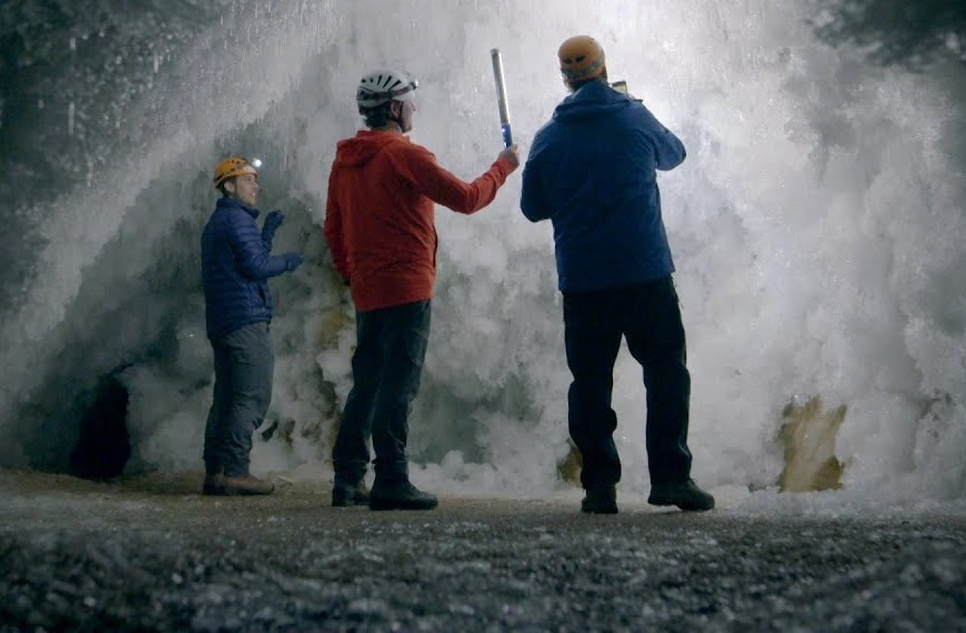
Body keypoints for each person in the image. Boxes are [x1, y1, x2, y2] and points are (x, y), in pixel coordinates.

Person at [520, 35, 714, 515]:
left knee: (589, 381)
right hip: (645, 273)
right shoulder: (633, 116)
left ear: (564, 79)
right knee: (666, 371)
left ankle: (599, 487)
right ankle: (671, 477)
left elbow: (531, 208)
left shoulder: (549, 137)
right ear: (605, 70)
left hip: (584, 281)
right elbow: (674, 155)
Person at [325, 68, 519, 511]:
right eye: (409, 102)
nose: (413, 109)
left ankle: (347, 477)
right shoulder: (402, 155)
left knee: (367, 383)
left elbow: (333, 225)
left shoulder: (345, 160)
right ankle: (391, 478)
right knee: (399, 384)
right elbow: (468, 198)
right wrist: (503, 166)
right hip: (408, 287)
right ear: (394, 108)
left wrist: (351, 274)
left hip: (368, 290)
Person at [200, 156, 303, 496]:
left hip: (224, 322)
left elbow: (244, 260)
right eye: (248, 180)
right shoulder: (235, 219)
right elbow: (256, 267)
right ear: (228, 186)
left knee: (227, 397)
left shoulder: (222, 221)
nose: (256, 186)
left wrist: (267, 234)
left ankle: (216, 472)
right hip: (245, 320)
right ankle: (236, 471)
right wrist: (286, 262)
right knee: (251, 397)